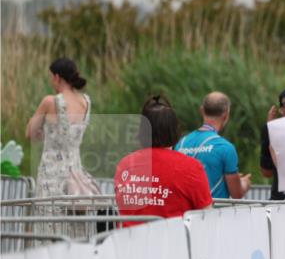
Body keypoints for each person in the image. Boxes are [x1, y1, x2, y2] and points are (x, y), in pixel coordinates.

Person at [114, 95, 212, 226]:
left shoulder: (125, 164)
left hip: (131, 243)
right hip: (175, 244)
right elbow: (207, 217)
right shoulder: (191, 167)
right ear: (174, 129)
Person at [27, 57, 100, 199]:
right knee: (73, 216)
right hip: (75, 175)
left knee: (50, 217)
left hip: (52, 174)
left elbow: (30, 133)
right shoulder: (86, 102)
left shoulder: (50, 101)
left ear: (57, 77)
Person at [175, 92, 251, 199]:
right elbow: (236, 194)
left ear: (202, 111)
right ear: (226, 115)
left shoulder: (181, 144)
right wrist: (244, 183)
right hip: (214, 213)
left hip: (186, 213)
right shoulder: (226, 148)